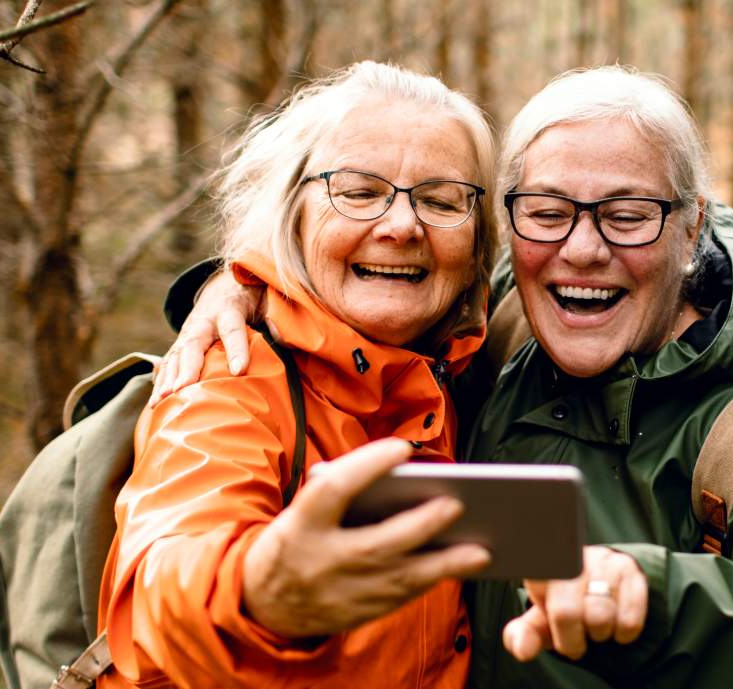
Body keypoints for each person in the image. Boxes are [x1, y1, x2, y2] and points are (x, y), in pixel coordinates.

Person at [165, 67, 733, 688]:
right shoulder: (499, 330)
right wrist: (240, 284)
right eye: (549, 210)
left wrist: (655, 599)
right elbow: (371, 259)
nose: (582, 249)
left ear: (693, 224)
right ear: (511, 221)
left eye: (627, 214)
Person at [95, 62, 500, 689]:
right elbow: (162, 582)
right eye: (359, 192)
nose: (401, 225)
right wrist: (262, 593)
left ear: (478, 242)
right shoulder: (230, 377)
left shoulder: (471, 369)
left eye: (441, 200)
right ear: (294, 214)